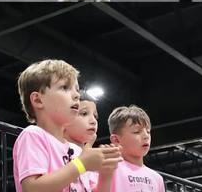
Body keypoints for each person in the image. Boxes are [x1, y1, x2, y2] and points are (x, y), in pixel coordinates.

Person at [13, 59, 122, 192]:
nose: (76, 95)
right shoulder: (33, 135)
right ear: (38, 100)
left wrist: (106, 174)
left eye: (76, 89)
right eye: (65, 87)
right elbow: (32, 188)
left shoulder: (77, 151)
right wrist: (81, 164)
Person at [108, 105, 165, 192]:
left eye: (148, 131)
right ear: (116, 139)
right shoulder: (109, 169)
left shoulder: (157, 178)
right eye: (137, 132)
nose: (146, 136)